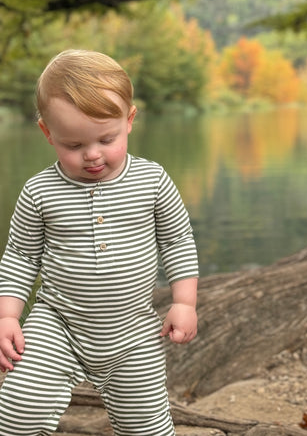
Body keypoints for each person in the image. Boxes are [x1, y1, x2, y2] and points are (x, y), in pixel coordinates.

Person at [0, 49, 199, 436]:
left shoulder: (152, 181)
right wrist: (8, 315)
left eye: (106, 139)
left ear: (129, 121)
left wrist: (184, 302)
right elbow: (20, 257)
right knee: (18, 408)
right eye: (73, 145)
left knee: (146, 425)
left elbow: (178, 241)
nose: (92, 155)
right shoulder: (40, 191)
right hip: (58, 323)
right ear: (47, 133)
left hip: (134, 329)